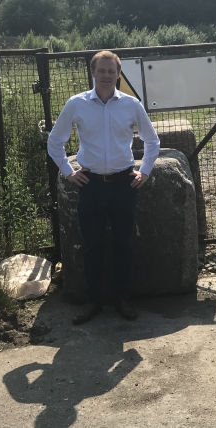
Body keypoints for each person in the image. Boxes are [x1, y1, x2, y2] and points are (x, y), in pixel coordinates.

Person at [48, 50, 160, 324]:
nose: (107, 75)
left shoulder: (132, 104)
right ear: (93, 72)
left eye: (112, 71)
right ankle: (93, 302)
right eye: (102, 70)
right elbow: (54, 141)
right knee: (91, 246)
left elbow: (152, 140)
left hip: (124, 184)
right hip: (91, 184)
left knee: (124, 245)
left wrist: (144, 171)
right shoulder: (77, 104)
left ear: (119, 74)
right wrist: (68, 172)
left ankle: (123, 300)